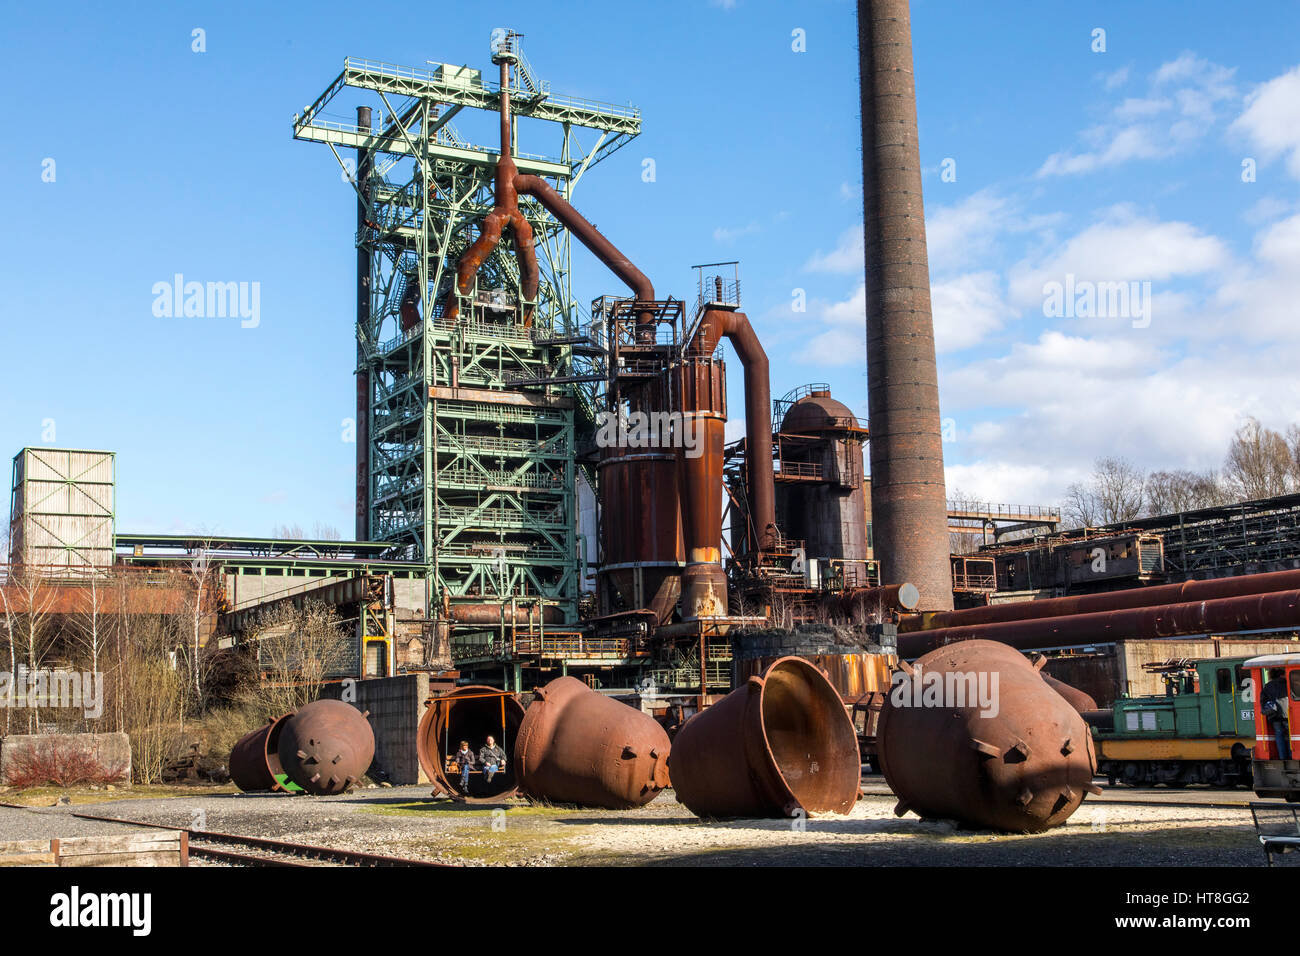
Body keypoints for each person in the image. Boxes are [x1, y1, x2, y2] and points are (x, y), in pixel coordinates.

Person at [1261, 668, 1291, 761]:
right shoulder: (1288, 683)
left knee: (1279, 735)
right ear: (1282, 674)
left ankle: (1282, 757)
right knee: (1291, 736)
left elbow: (1262, 701)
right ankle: (1291, 755)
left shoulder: (1268, 686)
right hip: (1287, 715)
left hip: (1274, 716)